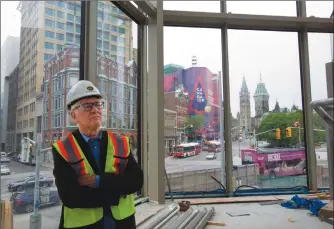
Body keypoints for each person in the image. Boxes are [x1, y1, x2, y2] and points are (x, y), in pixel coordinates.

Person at [52, 80, 143, 229]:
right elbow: (70, 196)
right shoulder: (63, 148)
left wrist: (99, 181)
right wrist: (117, 193)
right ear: (74, 115)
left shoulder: (121, 142)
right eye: (87, 106)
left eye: (98, 104)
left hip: (123, 224)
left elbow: (136, 181)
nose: (95, 110)